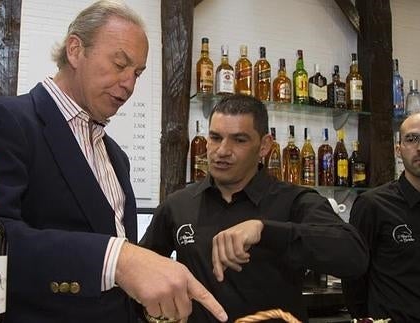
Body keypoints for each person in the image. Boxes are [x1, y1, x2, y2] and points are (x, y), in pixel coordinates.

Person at [0, 1, 227, 322]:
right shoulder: (5, 121)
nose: (129, 84)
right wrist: (117, 259)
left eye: (137, 73)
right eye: (119, 64)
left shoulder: (117, 158)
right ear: (75, 50)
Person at [140, 94, 368, 322]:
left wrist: (266, 230)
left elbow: (353, 256)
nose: (222, 151)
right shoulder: (178, 205)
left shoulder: (295, 201)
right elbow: (141, 270)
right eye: (215, 137)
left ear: (264, 145)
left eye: (239, 140)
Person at [343, 113, 420, 322]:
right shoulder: (373, 205)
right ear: (398, 149)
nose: (419, 147)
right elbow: (353, 276)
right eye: (412, 139)